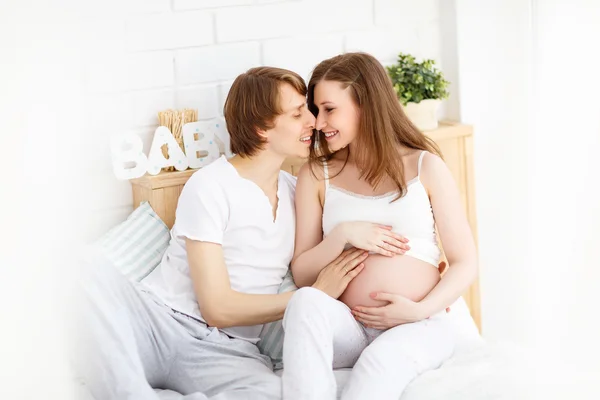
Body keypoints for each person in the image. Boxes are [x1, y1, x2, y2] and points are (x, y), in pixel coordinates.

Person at [70, 66, 367, 400]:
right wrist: (309, 298)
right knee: (78, 266)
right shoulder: (211, 184)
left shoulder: (300, 192)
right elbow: (217, 308)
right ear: (261, 128)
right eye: (298, 113)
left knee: (274, 395)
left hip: (229, 350)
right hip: (156, 323)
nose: (313, 121)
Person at [282, 52, 480, 400]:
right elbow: (302, 274)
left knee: (379, 363)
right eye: (316, 110)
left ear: (365, 105)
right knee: (304, 303)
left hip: (419, 323)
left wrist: (419, 310)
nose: (318, 121)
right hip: (350, 325)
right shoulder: (316, 174)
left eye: (329, 109)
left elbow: (465, 262)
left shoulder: (425, 167)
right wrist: (343, 235)